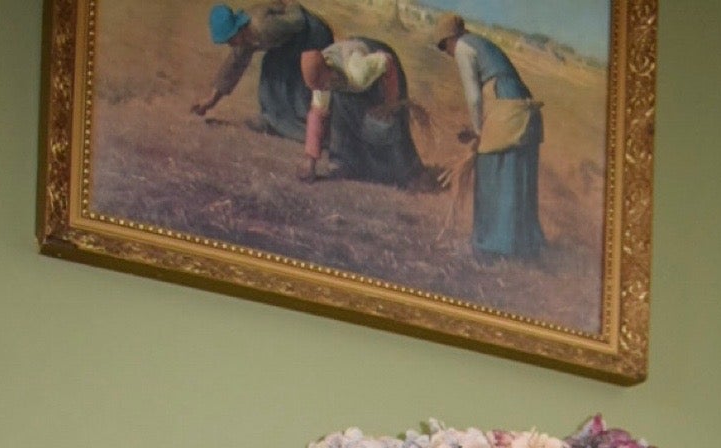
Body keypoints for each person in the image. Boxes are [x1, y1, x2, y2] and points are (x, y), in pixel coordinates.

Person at [433, 11, 544, 260]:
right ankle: (522, 246)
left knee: (492, 169)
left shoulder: (462, 48)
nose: (447, 53)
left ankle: (491, 247)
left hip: (506, 107)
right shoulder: (480, 42)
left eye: (444, 47)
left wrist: (478, 132)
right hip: (518, 105)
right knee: (516, 171)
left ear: (449, 40)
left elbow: (474, 96)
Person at [191, 3, 334, 142]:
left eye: (230, 39)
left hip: (314, 35)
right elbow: (233, 67)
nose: (230, 44)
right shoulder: (245, 36)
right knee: (271, 71)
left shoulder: (264, 26)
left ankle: (311, 129)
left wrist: (290, 5)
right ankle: (274, 120)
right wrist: (211, 101)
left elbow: (298, 20)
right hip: (292, 42)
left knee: (294, 80)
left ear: (238, 29)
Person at [299, 38, 425, 186]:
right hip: (350, 72)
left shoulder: (357, 71)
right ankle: (346, 162)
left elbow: (387, 62)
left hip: (382, 66)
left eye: (322, 85)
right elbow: (318, 114)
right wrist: (310, 159)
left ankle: (407, 172)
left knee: (388, 122)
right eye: (318, 87)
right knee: (340, 109)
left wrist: (390, 103)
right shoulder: (322, 81)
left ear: (329, 70)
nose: (321, 89)